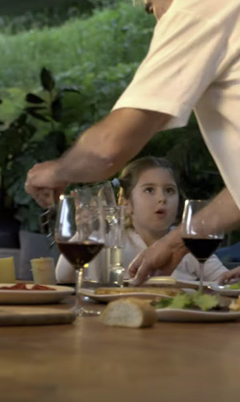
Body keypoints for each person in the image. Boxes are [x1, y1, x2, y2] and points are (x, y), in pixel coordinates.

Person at [24, 0, 240, 284]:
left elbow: (108, 148)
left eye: (150, 7)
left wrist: (55, 171)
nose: (159, 20)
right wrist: (175, 243)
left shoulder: (198, 7)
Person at [55, 157, 228, 283]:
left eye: (169, 190)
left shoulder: (185, 243)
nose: (162, 198)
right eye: (149, 190)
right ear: (126, 204)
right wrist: (83, 233)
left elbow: (224, 282)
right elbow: (63, 277)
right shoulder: (108, 240)